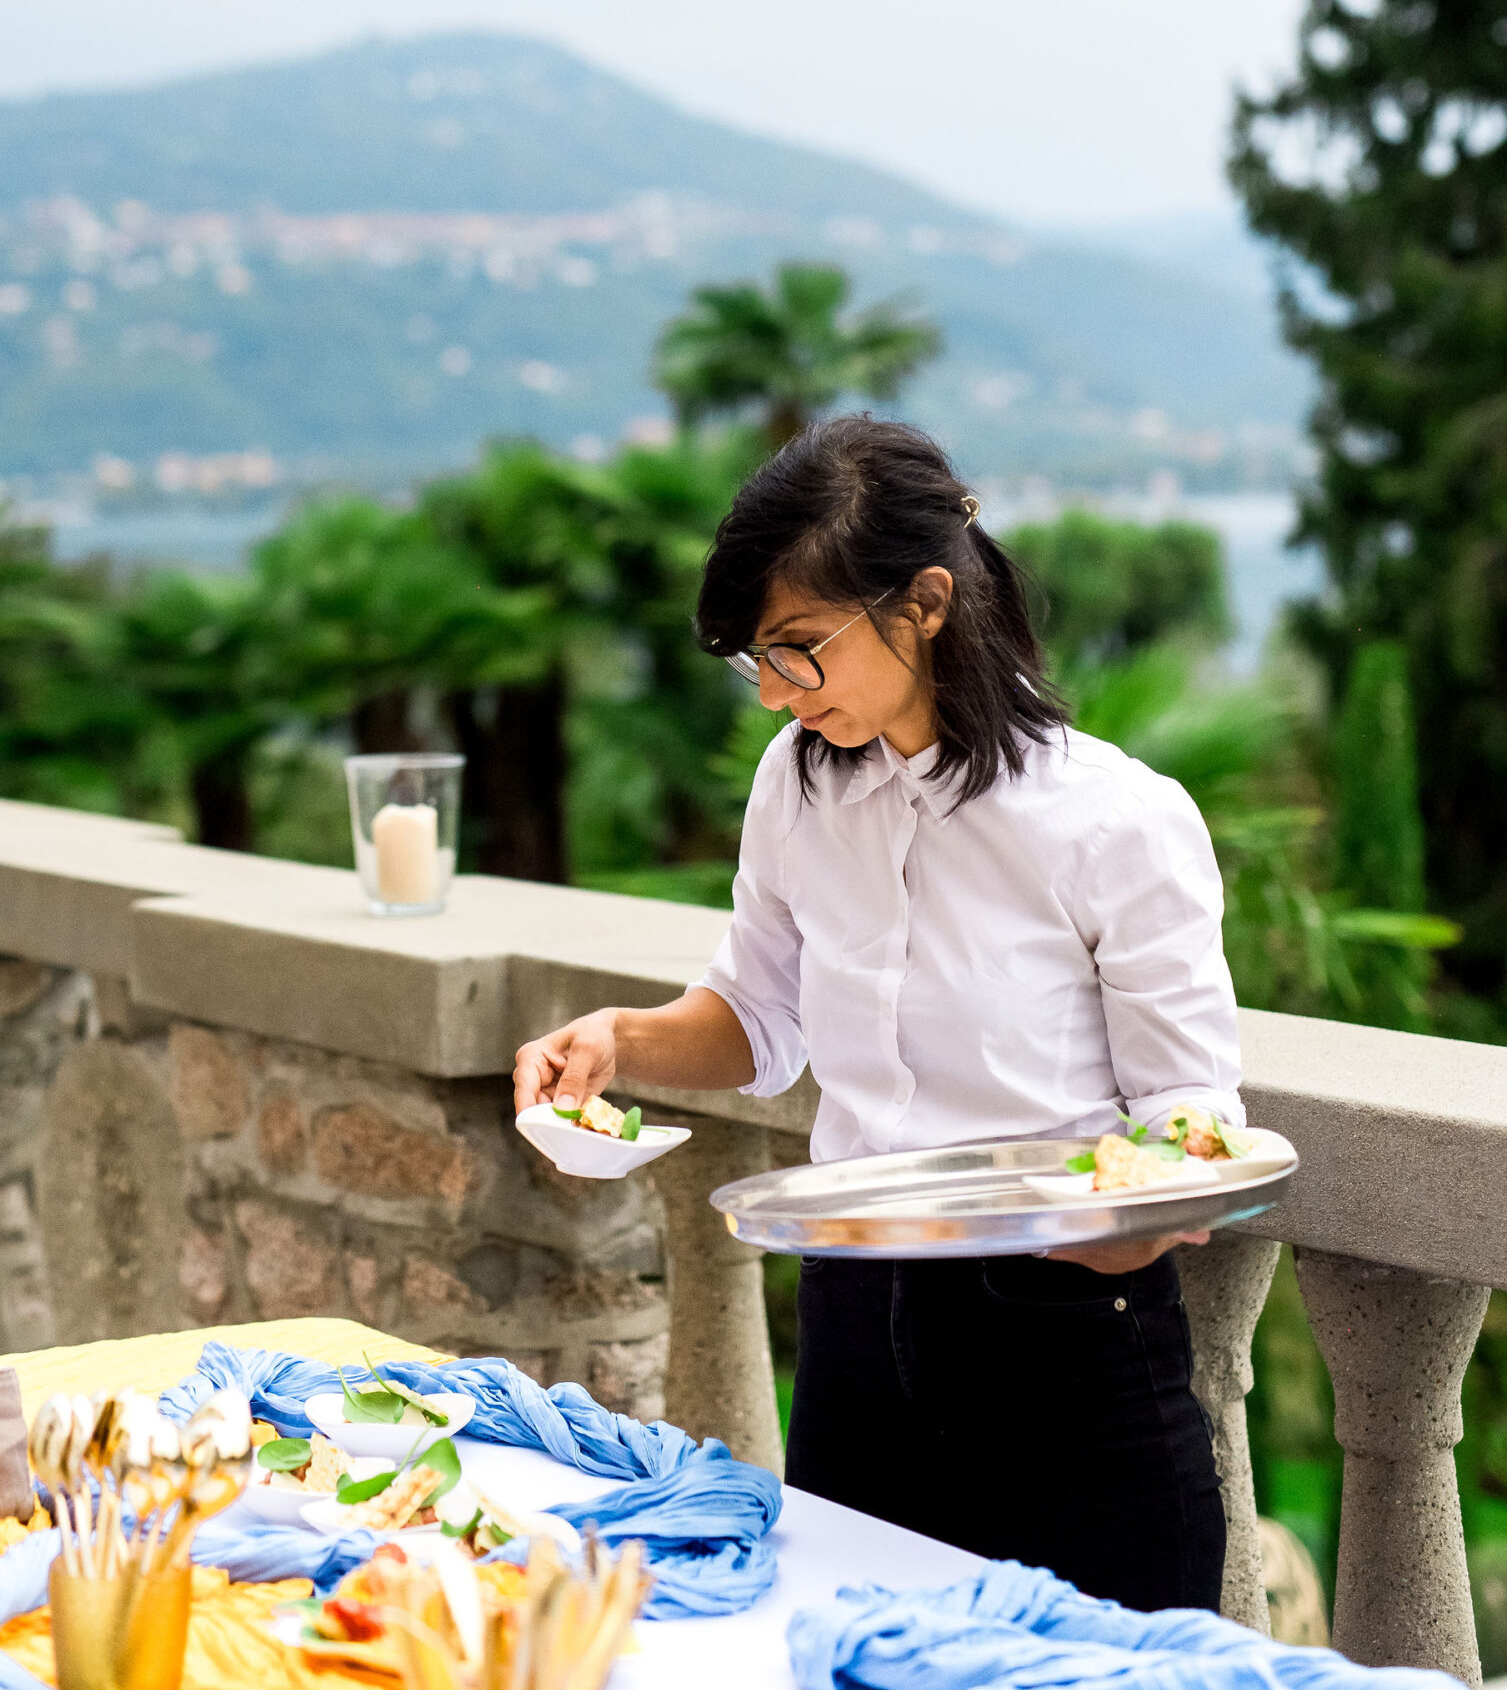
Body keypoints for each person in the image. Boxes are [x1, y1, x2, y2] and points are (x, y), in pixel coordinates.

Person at [513, 416, 1241, 1613]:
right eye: (757, 659)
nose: (774, 697)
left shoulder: (1119, 820)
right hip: (855, 1327)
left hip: (1065, 1337)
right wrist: (621, 1042)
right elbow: (757, 1014)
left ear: (927, 603)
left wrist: (1121, 1228)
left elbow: (1191, 1116)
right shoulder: (798, 785)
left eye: (801, 649)